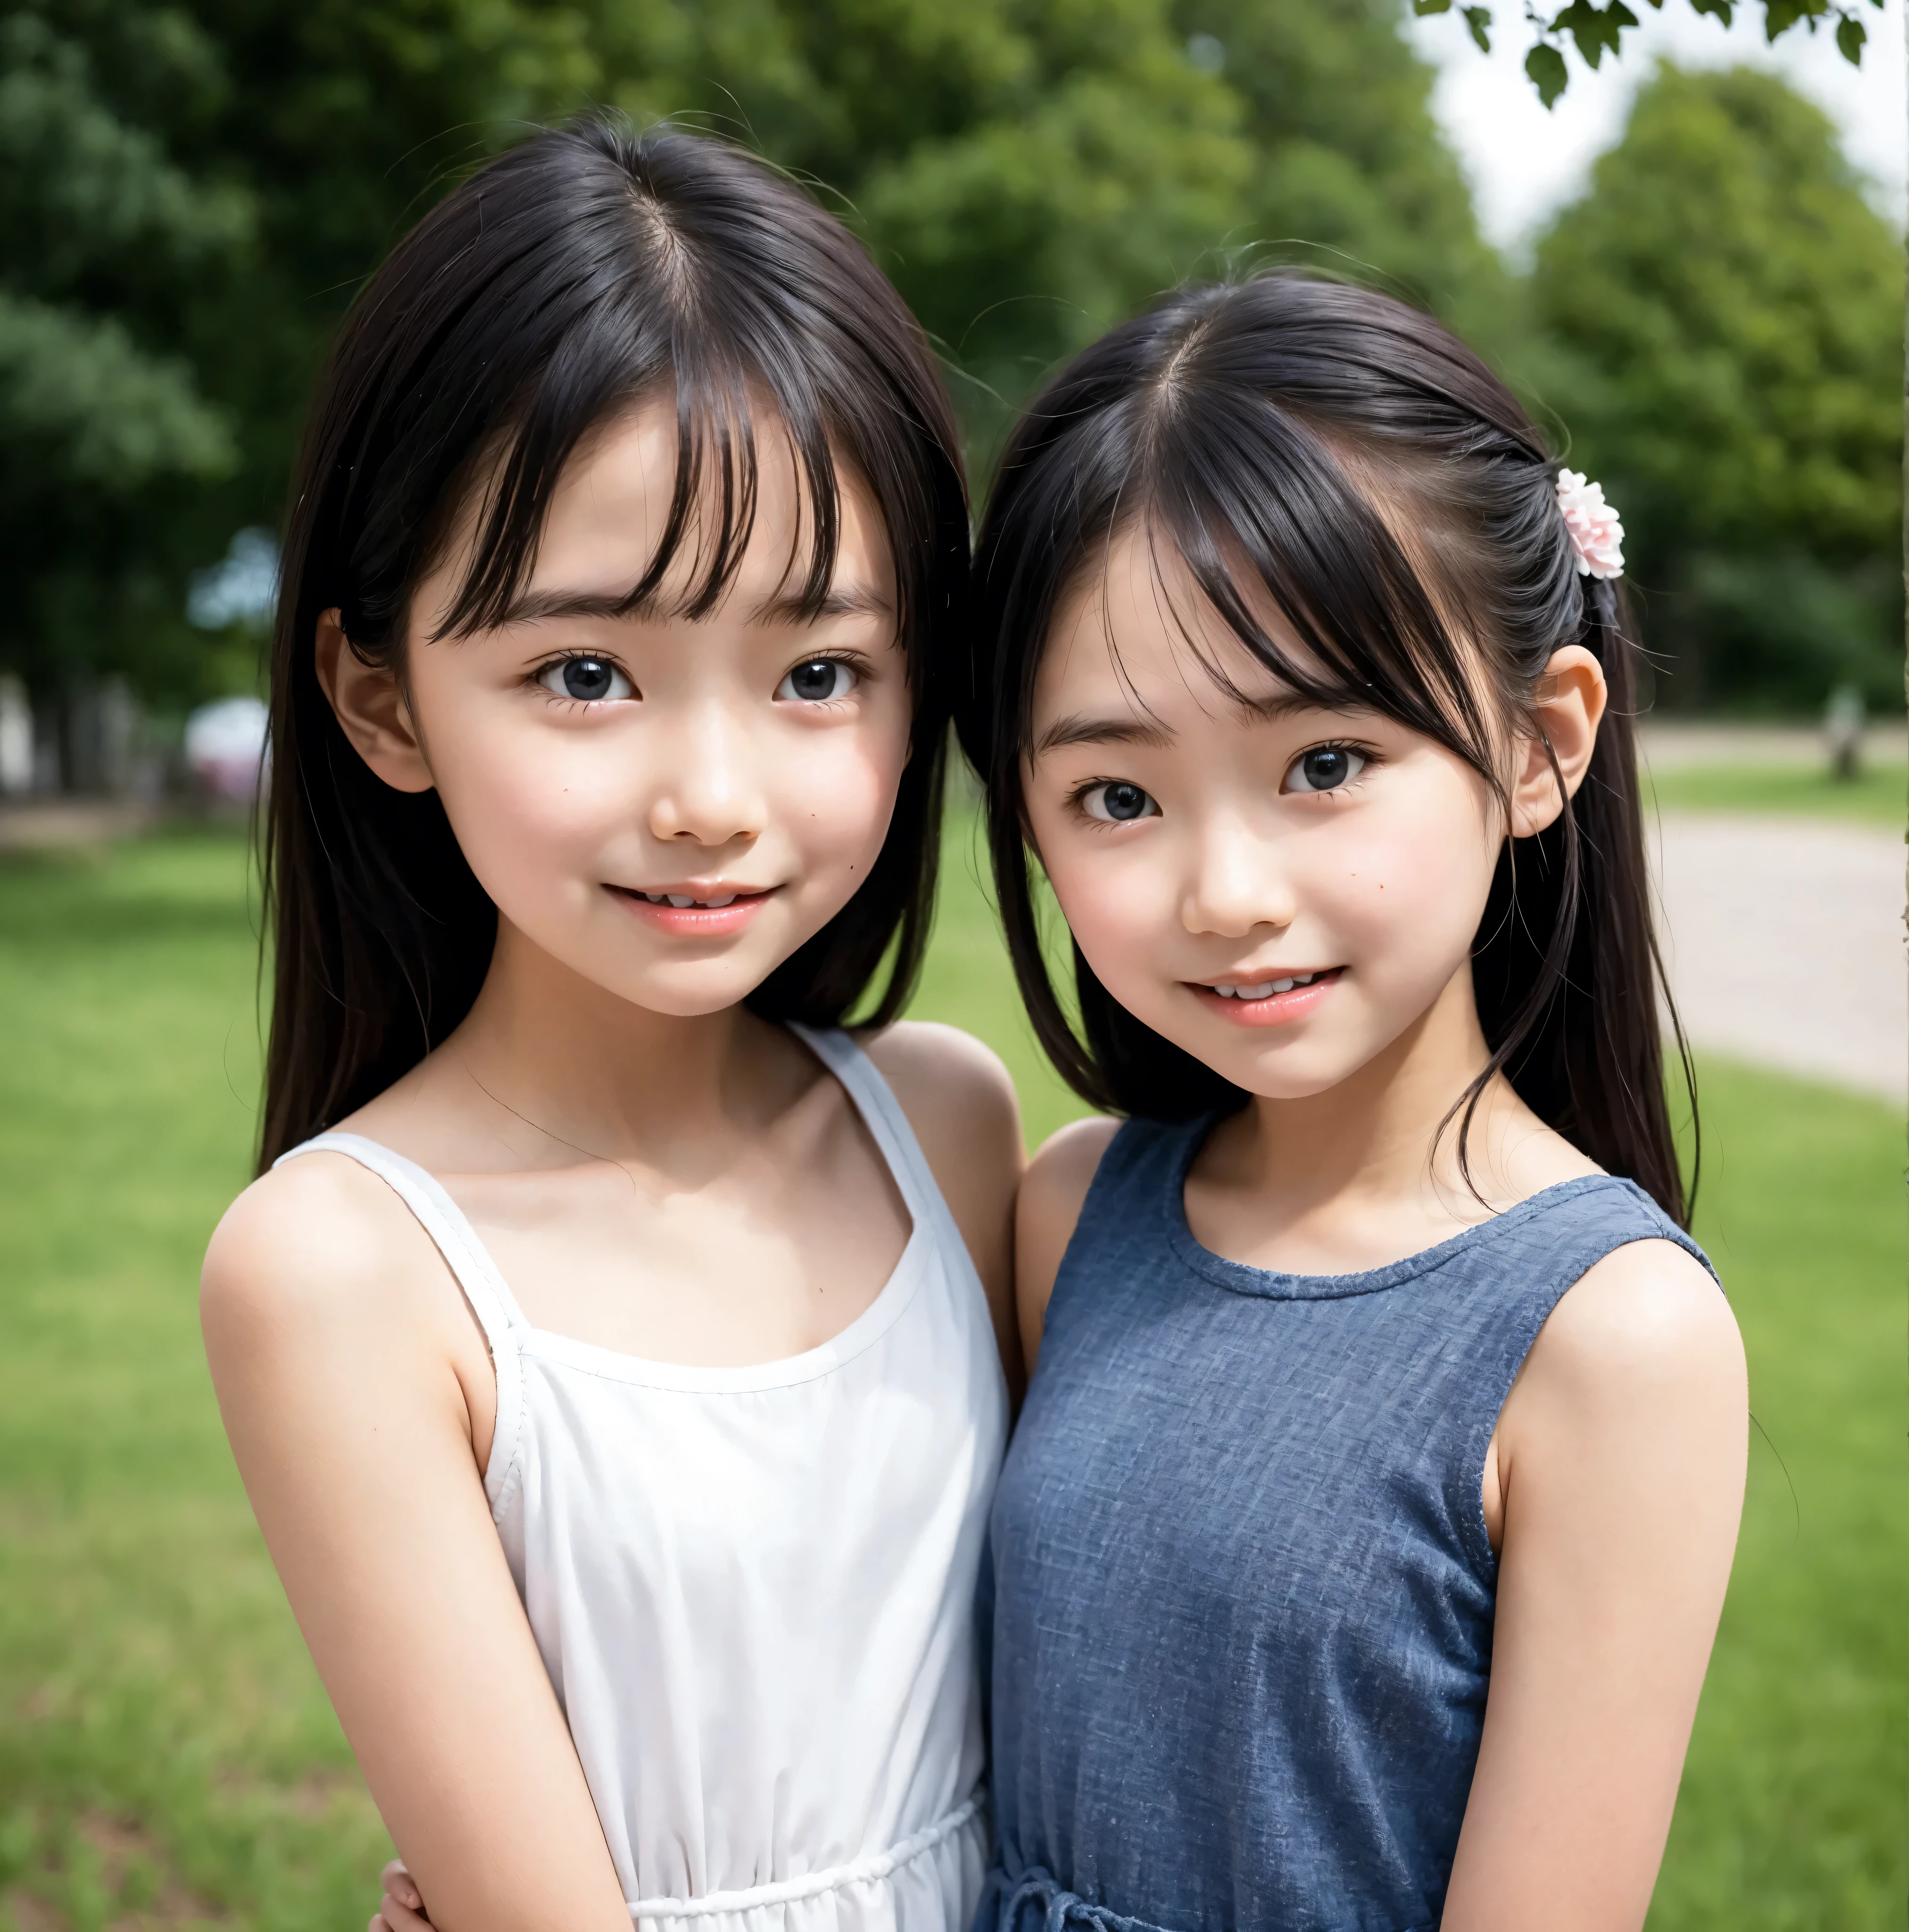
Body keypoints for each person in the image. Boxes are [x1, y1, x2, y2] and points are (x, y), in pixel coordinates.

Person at [200, 118, 1025, 1932]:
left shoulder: (950, 1133)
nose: (712, 795)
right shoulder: (345, 1271)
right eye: (586, 675)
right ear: (380, 695)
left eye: (820, 673)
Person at [957, 273, 1748, 1932]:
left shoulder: (1608, 1336)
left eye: (1324, 764)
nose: (1227, 892)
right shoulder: (1066, 1212)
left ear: (1540, 745)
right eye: (1118, 794)